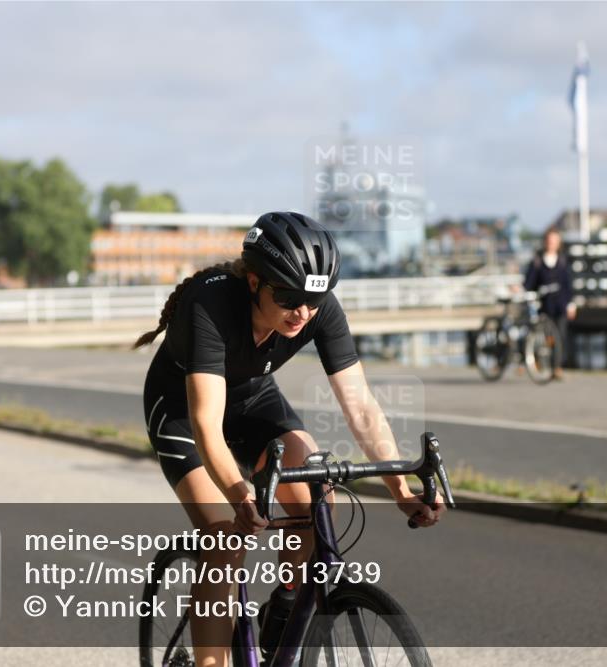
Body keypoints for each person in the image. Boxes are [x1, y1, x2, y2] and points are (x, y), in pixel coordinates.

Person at [134, 211, 444, 666]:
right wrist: (240, 496)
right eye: (289, 298)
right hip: (183, 411)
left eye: (313, 301)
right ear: (255, 282)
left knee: (317, 502)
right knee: (224, 539)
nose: (302, 312)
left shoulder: (318, 308)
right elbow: (207, 424)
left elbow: (360, 406)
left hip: (254, 402)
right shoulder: (211, 304)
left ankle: (285, 608)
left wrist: (400, 488)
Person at [523, 226, 576, 379]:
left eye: (554, 241)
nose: (551, 243)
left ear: (558, 243)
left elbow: (568, 285)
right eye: (549, 240)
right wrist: (522, 290)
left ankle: (557, 367)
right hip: (544, 305)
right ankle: (538, 362)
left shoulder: (563, 261)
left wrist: (571, 304)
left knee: (560, 336)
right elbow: (529, 283)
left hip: (561, 304)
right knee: (544, 336)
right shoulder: (537, 262)